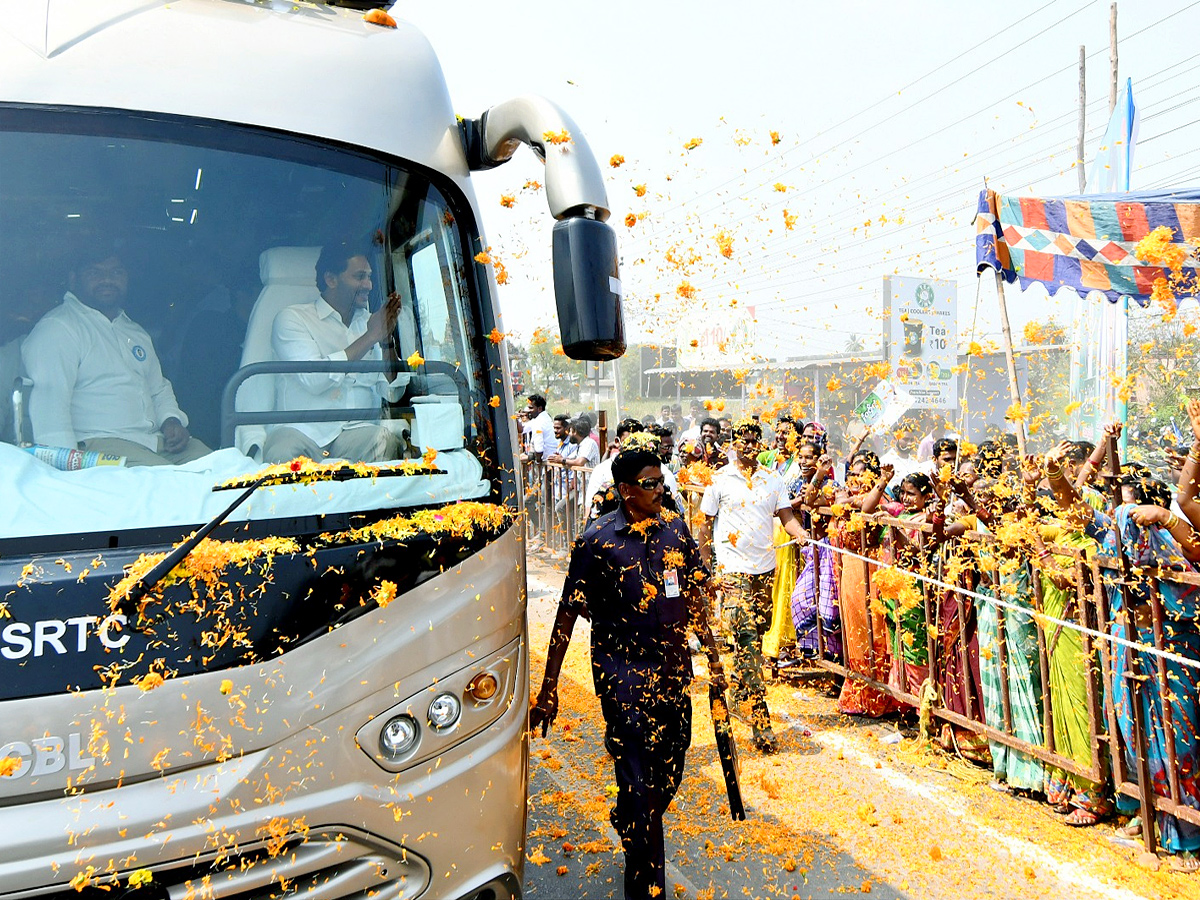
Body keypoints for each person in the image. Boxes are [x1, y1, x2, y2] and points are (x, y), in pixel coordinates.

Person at [529, 448, 727, 900]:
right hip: (624, 682)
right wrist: (549, 688)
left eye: (663, 482)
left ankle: (632, 817)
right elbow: (566, 616)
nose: (662, 490)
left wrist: (714, 659)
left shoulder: (676, 530)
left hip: (675, 674)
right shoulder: (597, 541)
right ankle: (644, 885)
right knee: (640, 789)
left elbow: (696, 597)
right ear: (626, 491)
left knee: (670, 771)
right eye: (651, 483)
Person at [22, 245, 210, 466]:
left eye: (116, 272)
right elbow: (49, 410)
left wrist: (171, 420)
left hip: (155, 443)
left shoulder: (134, 331)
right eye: (95, 273)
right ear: (73, 279)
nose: (107, 280)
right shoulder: (58, 329)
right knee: (174, 485)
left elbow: (158, 388)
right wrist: (65, 474)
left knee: (227, 470)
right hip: (98, 446)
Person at [698, 420, 806, 753]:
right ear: (733, 444)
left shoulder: (772, 478)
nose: (748, 445)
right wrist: (706, 568)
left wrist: (800, 533)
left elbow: (785, 515)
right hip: (732, 571)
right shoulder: (719, 480)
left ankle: (743, 686)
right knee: (745, 637)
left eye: (754, 440)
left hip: (765, 569)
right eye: (742, 441)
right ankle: (761, 722)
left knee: (756, 633)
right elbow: (704, 525)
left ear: (761, 444)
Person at [265, 245, 406, 464]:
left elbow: (392, 392)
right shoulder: (292, 318)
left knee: (386, 442)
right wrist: (370, 337)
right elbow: (314, 380)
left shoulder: (369, 323)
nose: (368, 285)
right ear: (331, 279)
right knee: (282, 452)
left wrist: (386, 340)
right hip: (302, 432)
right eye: (359, 277)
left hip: (355, 432)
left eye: (369, 277)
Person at [520, 393, 556, 463]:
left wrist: (528, 458)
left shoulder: (539, 423)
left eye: (531, 408)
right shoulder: (542, 418)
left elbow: (539, 451)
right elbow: (521, 429)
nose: (528, 411)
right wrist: (515, 418)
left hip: (547, 463)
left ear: (539, 409)